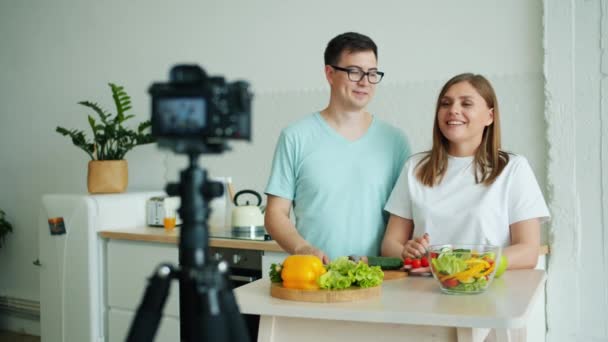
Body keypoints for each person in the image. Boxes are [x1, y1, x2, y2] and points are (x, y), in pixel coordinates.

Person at [264, 32, 410, 263]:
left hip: (379, 280)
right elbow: (275, 214)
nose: (364, 82)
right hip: (315, 279)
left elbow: (403, 219)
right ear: (330, 73)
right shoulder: (295, 137)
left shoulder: (395, 141)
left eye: (372, 74)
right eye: (354, 72)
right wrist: (302, 248)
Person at [381, 73, 549, 269]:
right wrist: (406, 252)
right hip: (424, 290)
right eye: (445, 103)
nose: (453, 110)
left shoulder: (513, 168)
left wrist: (470, 266)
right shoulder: (415, 168)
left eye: (466, 104)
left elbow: (528, 252)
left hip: (489, 291)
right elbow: (389, 244)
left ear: (489, 116)